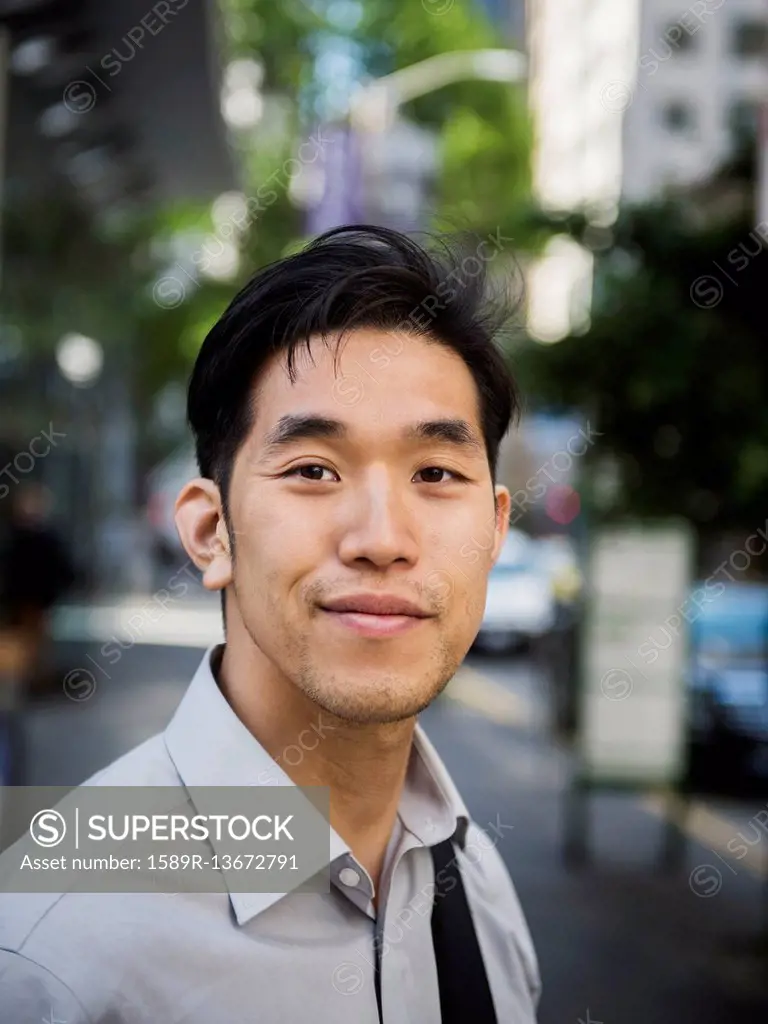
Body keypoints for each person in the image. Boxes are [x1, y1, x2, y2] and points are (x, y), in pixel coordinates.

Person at [0, 226, 541, 1022]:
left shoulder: (479, 884)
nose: (383, 539)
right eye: (313, 470)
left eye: (435, 472)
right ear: (211, 531)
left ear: (494, 530)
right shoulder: (56, 948)